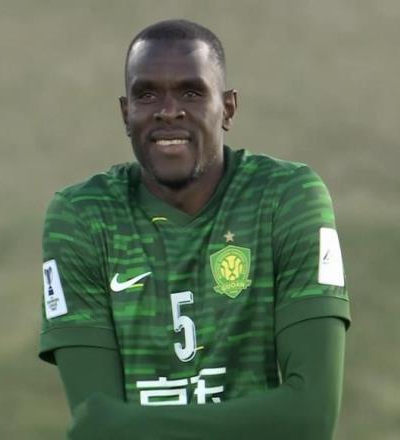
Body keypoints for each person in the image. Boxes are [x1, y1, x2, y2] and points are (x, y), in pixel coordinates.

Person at [39, 19, 351, 440]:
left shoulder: (285, 198)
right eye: (147, 94)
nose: (168, 111)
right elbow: (98, 427)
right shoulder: (84, 216)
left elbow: (311, 417)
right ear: (126, 114)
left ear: (228, 109)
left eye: (191, 92)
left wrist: (125, 425)